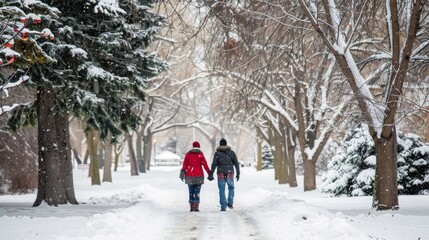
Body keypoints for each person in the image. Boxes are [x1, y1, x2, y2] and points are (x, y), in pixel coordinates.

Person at [208, 138, 240, 211]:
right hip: (230, 172)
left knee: (221, 189)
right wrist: (238, 173)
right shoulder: (232, 153)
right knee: (231, 187)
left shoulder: (217, 153)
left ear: (220, 144)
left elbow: (214, 164)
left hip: (220, 173)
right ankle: (230, 202)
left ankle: (223, 205)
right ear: (226, 144)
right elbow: (236, 163)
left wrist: (211, 173)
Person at [180, 141, 211, 212]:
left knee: (191, 191)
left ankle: (192, 207)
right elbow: (205, 164)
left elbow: (185, 165)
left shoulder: (188, 154)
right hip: (199, 175)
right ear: (199, 147)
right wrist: (209, 173)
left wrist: (182, 173)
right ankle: (196, 207)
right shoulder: (200, 154)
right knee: (197, 191)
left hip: (189, 175)